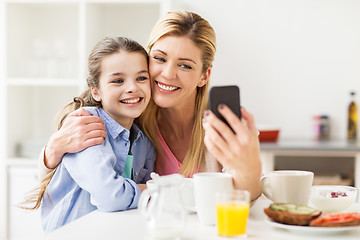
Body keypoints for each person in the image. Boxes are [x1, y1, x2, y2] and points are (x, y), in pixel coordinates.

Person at [38, 10, 262, 201]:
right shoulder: (129, 118)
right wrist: (52, 152)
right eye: (160, 59)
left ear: (204, 76)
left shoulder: (218, 129)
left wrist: (250, 170)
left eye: (184, 66)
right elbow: (57, 185)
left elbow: (243, 197)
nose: (168, 74)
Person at [32, 37, 155, 233]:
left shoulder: (143, 141)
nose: (132, 87)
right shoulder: (86, 125)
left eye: (141, 78)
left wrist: (151, 190)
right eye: (118, 80)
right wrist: (156, 189)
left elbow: (147, 199)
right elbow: (111, 196)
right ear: (96, 92)